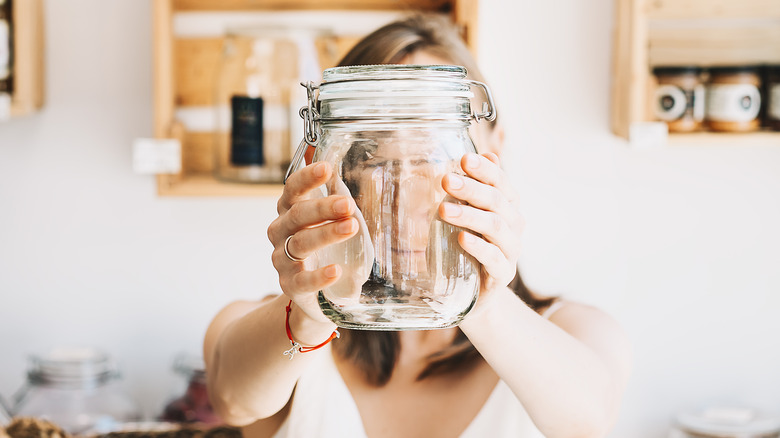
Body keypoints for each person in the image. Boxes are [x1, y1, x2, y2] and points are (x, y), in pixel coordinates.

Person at [203, 14, 631, 438]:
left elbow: (587, 421)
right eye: (376, 161)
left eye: (434, 160)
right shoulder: (280, 329)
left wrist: (477, 299)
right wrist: (308, 314)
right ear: (333, 169)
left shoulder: (579, 331)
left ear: (494, 148)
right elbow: (234, 400)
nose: (408, 196)